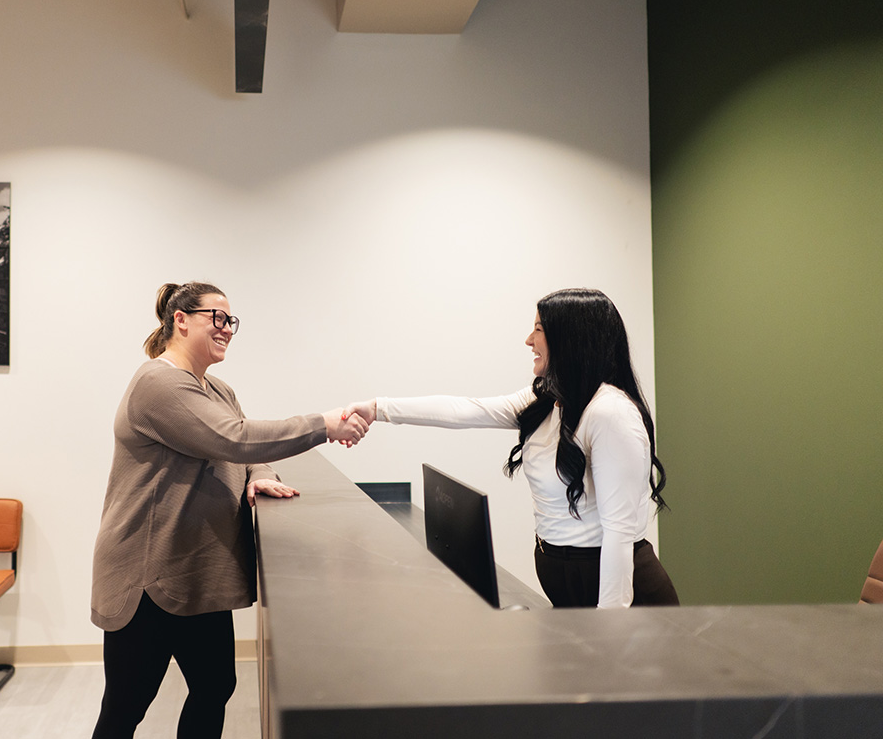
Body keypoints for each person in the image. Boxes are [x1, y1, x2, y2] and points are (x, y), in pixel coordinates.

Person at [91, 281, 369, 739]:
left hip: (191, 571)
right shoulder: (157, 383)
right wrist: (323, 423)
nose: (226, 329)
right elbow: (232, 438)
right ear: (180, 320)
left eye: (230, 321)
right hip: (147, 575)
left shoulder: (217, 389)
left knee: (215, 684)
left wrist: (261, 475)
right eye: (216, 318)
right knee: (126, 706)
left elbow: (241, 446)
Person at [346, 288, 678, 609]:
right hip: (567, 581)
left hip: (618, 592)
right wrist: (377, 408)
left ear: (571, 339)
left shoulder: (610, 412)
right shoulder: (547, 401)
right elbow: (467, 409)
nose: (529, 341)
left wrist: (611, 624)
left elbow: (619, 533)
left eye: (538, 330)